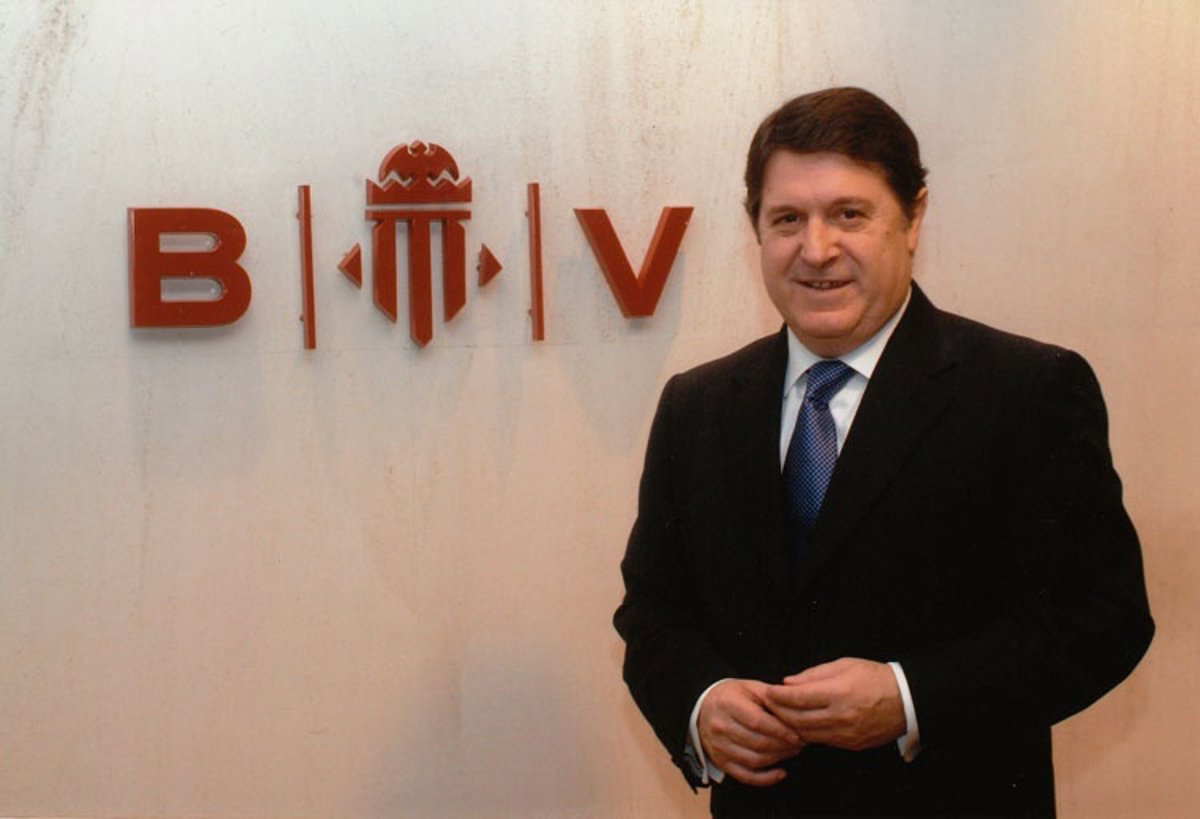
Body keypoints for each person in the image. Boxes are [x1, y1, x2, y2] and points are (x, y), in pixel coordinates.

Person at [613, 87, 1154, 817]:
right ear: (755, 229)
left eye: (849, 214)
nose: (816, 249)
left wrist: (910, 697)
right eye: (787, 219)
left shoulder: (1027, 391)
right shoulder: (697, 406)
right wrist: (700, 703)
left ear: (913, 218)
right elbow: (653, 613)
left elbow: (1104, 617)